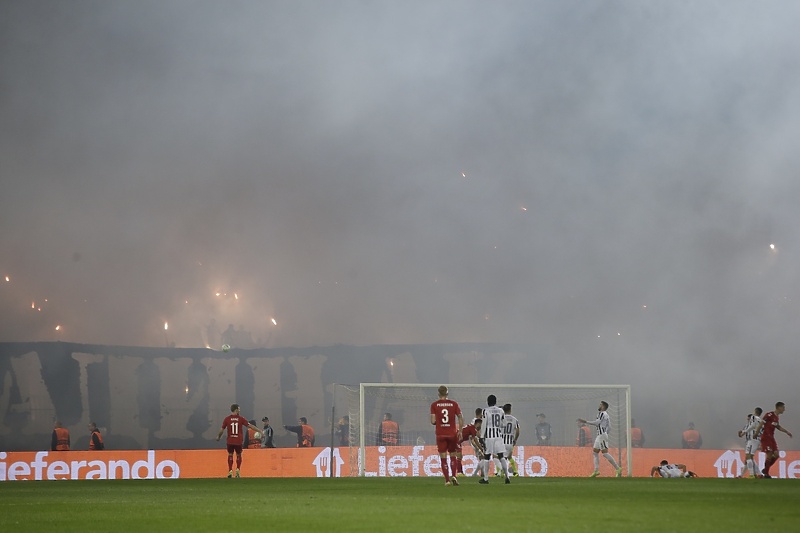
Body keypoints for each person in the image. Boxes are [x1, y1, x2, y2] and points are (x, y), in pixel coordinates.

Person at [578, 400, 622, 478]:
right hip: (601, 435)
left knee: (605, 453)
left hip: (601, 435)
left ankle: (618, 468)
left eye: (600, 405)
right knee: (595, 452)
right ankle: (596, 470)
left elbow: (597, 422)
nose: (599, 405)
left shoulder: (602, 413)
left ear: (603, 407)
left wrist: (586, 421)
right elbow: (610, 427)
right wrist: (605, 433)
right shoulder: (606, 415)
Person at [430, 385, 463, 486]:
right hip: (452, 434)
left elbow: (433, 421)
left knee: (443, 457)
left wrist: (439, 422)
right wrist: (460, 431)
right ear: (447, 393)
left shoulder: (434, 405)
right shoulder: (454, 404)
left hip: (441, 434)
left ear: (438, 394)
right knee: (453, 455)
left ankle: (447, 480)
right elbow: (461, 417)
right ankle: (454, 476)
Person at [216, 403, 261, 478]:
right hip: (238, 441)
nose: (240, 410)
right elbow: (250, 426)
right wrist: (259, 430)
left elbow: (222, 429)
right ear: (236, 409)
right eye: (239, 409)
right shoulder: (241, 419)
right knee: (238, 455)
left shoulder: (227, 419)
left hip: (230, 441)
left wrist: (218, 437)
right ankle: (238, 470)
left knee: (230, 454)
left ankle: (230, 470)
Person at [755, 401, 793, 478]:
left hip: (772, 437)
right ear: (779, 407)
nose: (784, 409)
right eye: (783, 408)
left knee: (776, 455)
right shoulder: (769, 415)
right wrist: (756, 433)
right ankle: (766, 474)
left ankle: (765, 469)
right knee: (769, 455)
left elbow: (778, 427)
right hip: (766, 437)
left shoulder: (776, 417)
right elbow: (761, 424)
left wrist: (786, 432)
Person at [479, 394, 509, 484]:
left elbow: (484, 424)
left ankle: (486, 478)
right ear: (495, 402)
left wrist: (481, 436)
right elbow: (504, 424)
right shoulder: (501, 411)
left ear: (488, 402)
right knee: (501, 456)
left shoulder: (485, 411)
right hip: (498, 436)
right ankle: (507, 477)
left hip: (489, 437)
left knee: (487, 456)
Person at [737, 408, 762, 478]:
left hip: (752, 441)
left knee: (748, 457)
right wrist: (740, 433)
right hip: (749, 441)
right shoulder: (747, 425)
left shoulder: (755, 420)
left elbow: (754, 427)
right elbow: (741, 435)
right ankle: (758, 474)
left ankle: (752, 475)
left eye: (749, 419)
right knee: (749, 458)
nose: (748, 420)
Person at [500, 403, 520, 477]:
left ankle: (502, 473)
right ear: (510, 410)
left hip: (502, 442)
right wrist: (515, 439)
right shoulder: (514, 420)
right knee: (509, 457)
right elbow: (517, 431)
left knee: (503, 458)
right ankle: (515, 471)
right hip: (510, 442)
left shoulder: (501, 419)